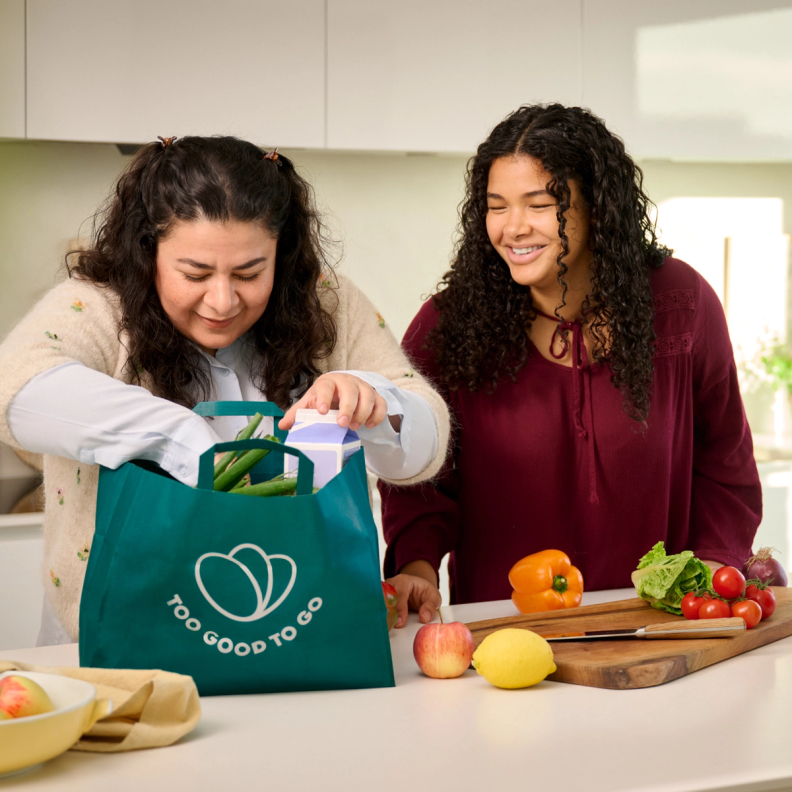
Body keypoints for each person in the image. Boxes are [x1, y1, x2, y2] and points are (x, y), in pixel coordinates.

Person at [0, 136, 450, 644]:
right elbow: (15, 382)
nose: (222, 300)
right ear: (148, 252)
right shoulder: (99, 305)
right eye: (194, 273)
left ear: (282, 254)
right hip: (119, 636)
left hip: (301, 628)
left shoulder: (329, 303)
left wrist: (375, 398)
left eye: (249, 272)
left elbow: (424, 447)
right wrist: (181, 438)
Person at [380, 104, 762, 628]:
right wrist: (416, 568)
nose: (513, 228)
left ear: (598, 207)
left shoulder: (682, 303)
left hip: (656, 630)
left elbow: (724, 461)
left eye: (540, 204)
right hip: (503, 639)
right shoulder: (446, 328)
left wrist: (710, 578)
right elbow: (418, 480)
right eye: (496, 206)